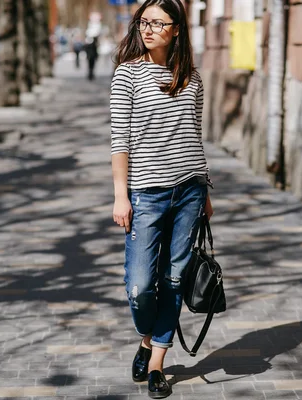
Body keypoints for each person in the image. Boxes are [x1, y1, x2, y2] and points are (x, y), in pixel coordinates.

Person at [110, 0, 213, 398]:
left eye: (157, 23)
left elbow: (194, 134)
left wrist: (205, 189)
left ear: (176, 30)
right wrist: (122, 196)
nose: (147, 29)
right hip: (146, 195)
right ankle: (146, 338)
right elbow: (119, 142)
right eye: (143, 22)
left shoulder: (193, 78)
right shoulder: (127, 76)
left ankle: (156, 364)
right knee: (139, 286)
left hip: (190, 190)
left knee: (173, 278)